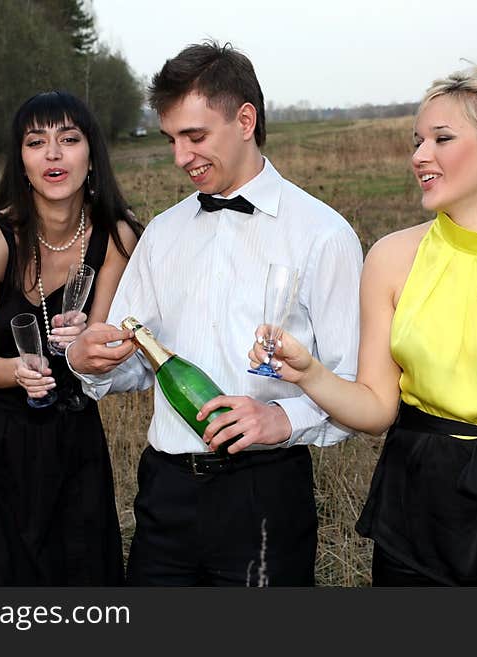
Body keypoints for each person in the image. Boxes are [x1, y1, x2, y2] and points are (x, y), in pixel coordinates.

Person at [245, 65, 477, 586]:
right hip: (418, 504)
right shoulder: (391, 258)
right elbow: (376, 410)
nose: (419, 155)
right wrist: (308, 372)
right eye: (417, 140)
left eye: (441, 138)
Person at [67, 41, 363, 586]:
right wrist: (93, 362)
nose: (180, 156)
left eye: (195, 136)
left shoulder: (324, 235)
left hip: (266, 493)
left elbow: (353, 384)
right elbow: (135, 359)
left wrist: (283, 419)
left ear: (245, 119)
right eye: (172, 139)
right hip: (164, 494)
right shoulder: (162, 233)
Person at [0, 90, 141, 585]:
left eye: (68, 139)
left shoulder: (118, 237)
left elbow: (100, 346)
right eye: (35, 141)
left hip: (72, 438)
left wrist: (93, 339)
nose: (53, 154)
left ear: (91, 155)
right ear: (20, 160)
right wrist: (16, 371)